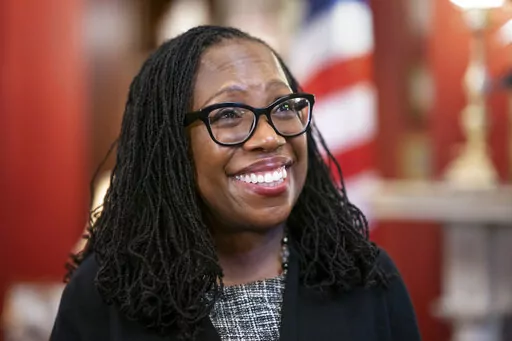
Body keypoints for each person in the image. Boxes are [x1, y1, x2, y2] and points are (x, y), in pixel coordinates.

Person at [50, 25, 420, 341]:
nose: (270, 138)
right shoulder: (104, 296)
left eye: (284, 107)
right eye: (229, 114)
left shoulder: (366, 279)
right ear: (171, 146)